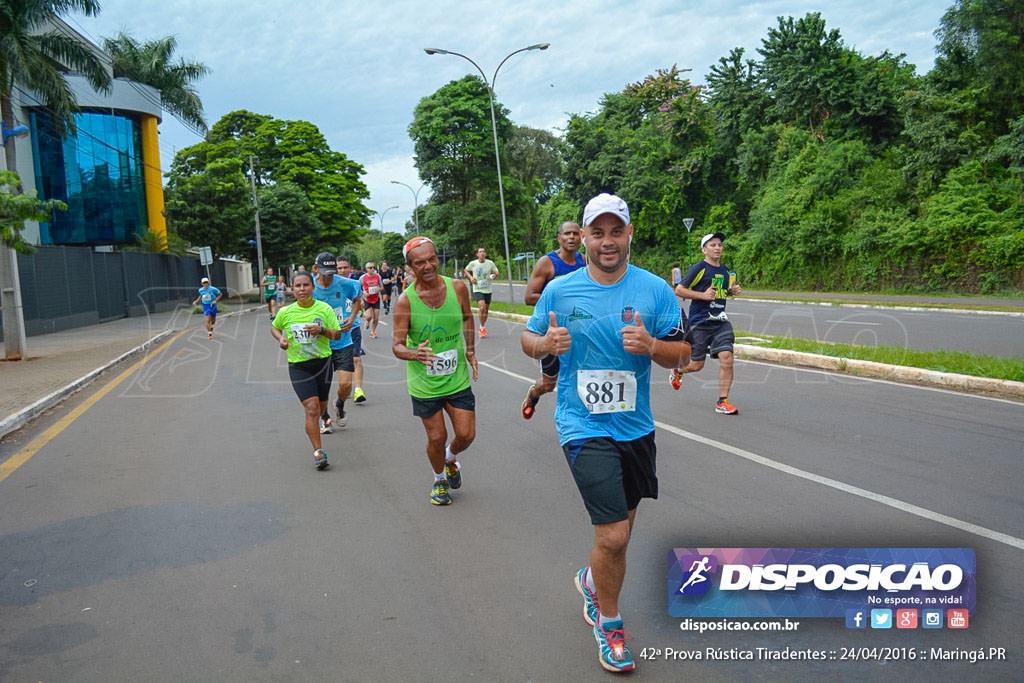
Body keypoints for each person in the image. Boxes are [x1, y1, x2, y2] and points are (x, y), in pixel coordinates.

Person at [520, 193, 689, 674]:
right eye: (598, 232)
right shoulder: (561, 290)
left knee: (624, 528)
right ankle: (609, 621)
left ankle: (594, 581)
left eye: (616, 231)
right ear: (585, 238)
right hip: (581, 423)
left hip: (635, 427)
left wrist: (654, 345)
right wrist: (545, 343)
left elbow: (686, 356)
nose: (607, 241)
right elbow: (528, 338)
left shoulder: (656, 290)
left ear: (629, 234)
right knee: (613, 535)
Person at [392, 236, 478, 506]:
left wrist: (470, 350)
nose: (428, 266)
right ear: (409, 267)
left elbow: (466, 317)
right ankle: (439, 478)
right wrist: (415, 353)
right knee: (437, 437)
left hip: (456, 377)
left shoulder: (458, 288)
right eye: (420, 263)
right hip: (424, 383)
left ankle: (451, 458)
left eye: (432, 259)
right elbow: (397, 345)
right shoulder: (406, 302)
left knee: (466, 434)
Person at [270, 271, 342, 470]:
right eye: (298, 286)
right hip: (299, 366)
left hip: (323, 364)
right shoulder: (286, 312)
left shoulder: (324, 309)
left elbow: (336, 335)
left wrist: (322, 331)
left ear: (313, 287)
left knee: (320, 406)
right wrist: (281, 339)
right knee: (311, 408)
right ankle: (318, 451)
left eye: (305, 285)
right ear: (292, 288)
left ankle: (325, 413)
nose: (301, 289)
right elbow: (274, 327)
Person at [669, 232, 743, 414]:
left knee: (728, 357)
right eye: (713, 245)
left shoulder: (725, 270)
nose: (717, 247)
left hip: (720, 321)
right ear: (704, 250)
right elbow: (679, 289)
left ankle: (722, 401)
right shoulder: (699, 268)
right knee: (697, 365)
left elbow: (719, 293)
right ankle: (679, 370)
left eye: (719, 245)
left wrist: (731, 291)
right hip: (700, 322)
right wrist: (702, 295)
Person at [521, 221, 585, 419]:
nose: (572, 237)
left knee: (583, 377)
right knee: (549, 384)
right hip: (552, 333)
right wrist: (560, 302)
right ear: (559, 237)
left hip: (578, 330)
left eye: (575, 233)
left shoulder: (583, 260)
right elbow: (529, 296)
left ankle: (578, 418)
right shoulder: (547, 263)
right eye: (567, 234)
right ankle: (534, 393)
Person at [313, 251, 363, 432]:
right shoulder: (309, 286)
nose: (328, 276)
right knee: (321, 386)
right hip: (320, 343)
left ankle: (340, 404)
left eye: (332, 271)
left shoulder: (346, 283)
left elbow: (357, 299)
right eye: (325, 271)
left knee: (345, 385)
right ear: (316, 269)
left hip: (342, 341)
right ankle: (324, 417)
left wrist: (352, 317)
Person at [344, 258, 369, 404]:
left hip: (352, 327)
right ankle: (344, 388)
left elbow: (359, 301)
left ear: (349, 269)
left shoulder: (354, 284)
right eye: (339, 268)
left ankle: (358, 389)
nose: (342, 270)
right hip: (334, 330)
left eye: (345, 267)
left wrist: (361, 306)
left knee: (356, 359)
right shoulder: (330, 286)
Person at [463, 247, 499, 338]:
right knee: (482, 307)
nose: (482, 253)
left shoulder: (490, 263)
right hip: (477, 288)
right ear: (477, 254)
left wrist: (494, 275)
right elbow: (466, 270)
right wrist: (471, 278)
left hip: (488, 289)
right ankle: (482, 328)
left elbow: (497, 272)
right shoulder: (473, 263)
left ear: (485, 254)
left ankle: (482, 326)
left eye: (483, 252)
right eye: (480, 252)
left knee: (486, 310)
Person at [360, 262, 383, 339]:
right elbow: (358, 288)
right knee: (369, 316)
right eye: (370, 268)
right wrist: (364, 292)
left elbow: (382, 287)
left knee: (376, 318)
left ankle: (373, 332)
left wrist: (378, 289)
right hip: (367, 299)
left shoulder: (378, 276)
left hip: (376, 299)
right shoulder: (362, 278)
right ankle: (367, 321)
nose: (372, 269)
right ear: (366, 269)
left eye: (373, 267)